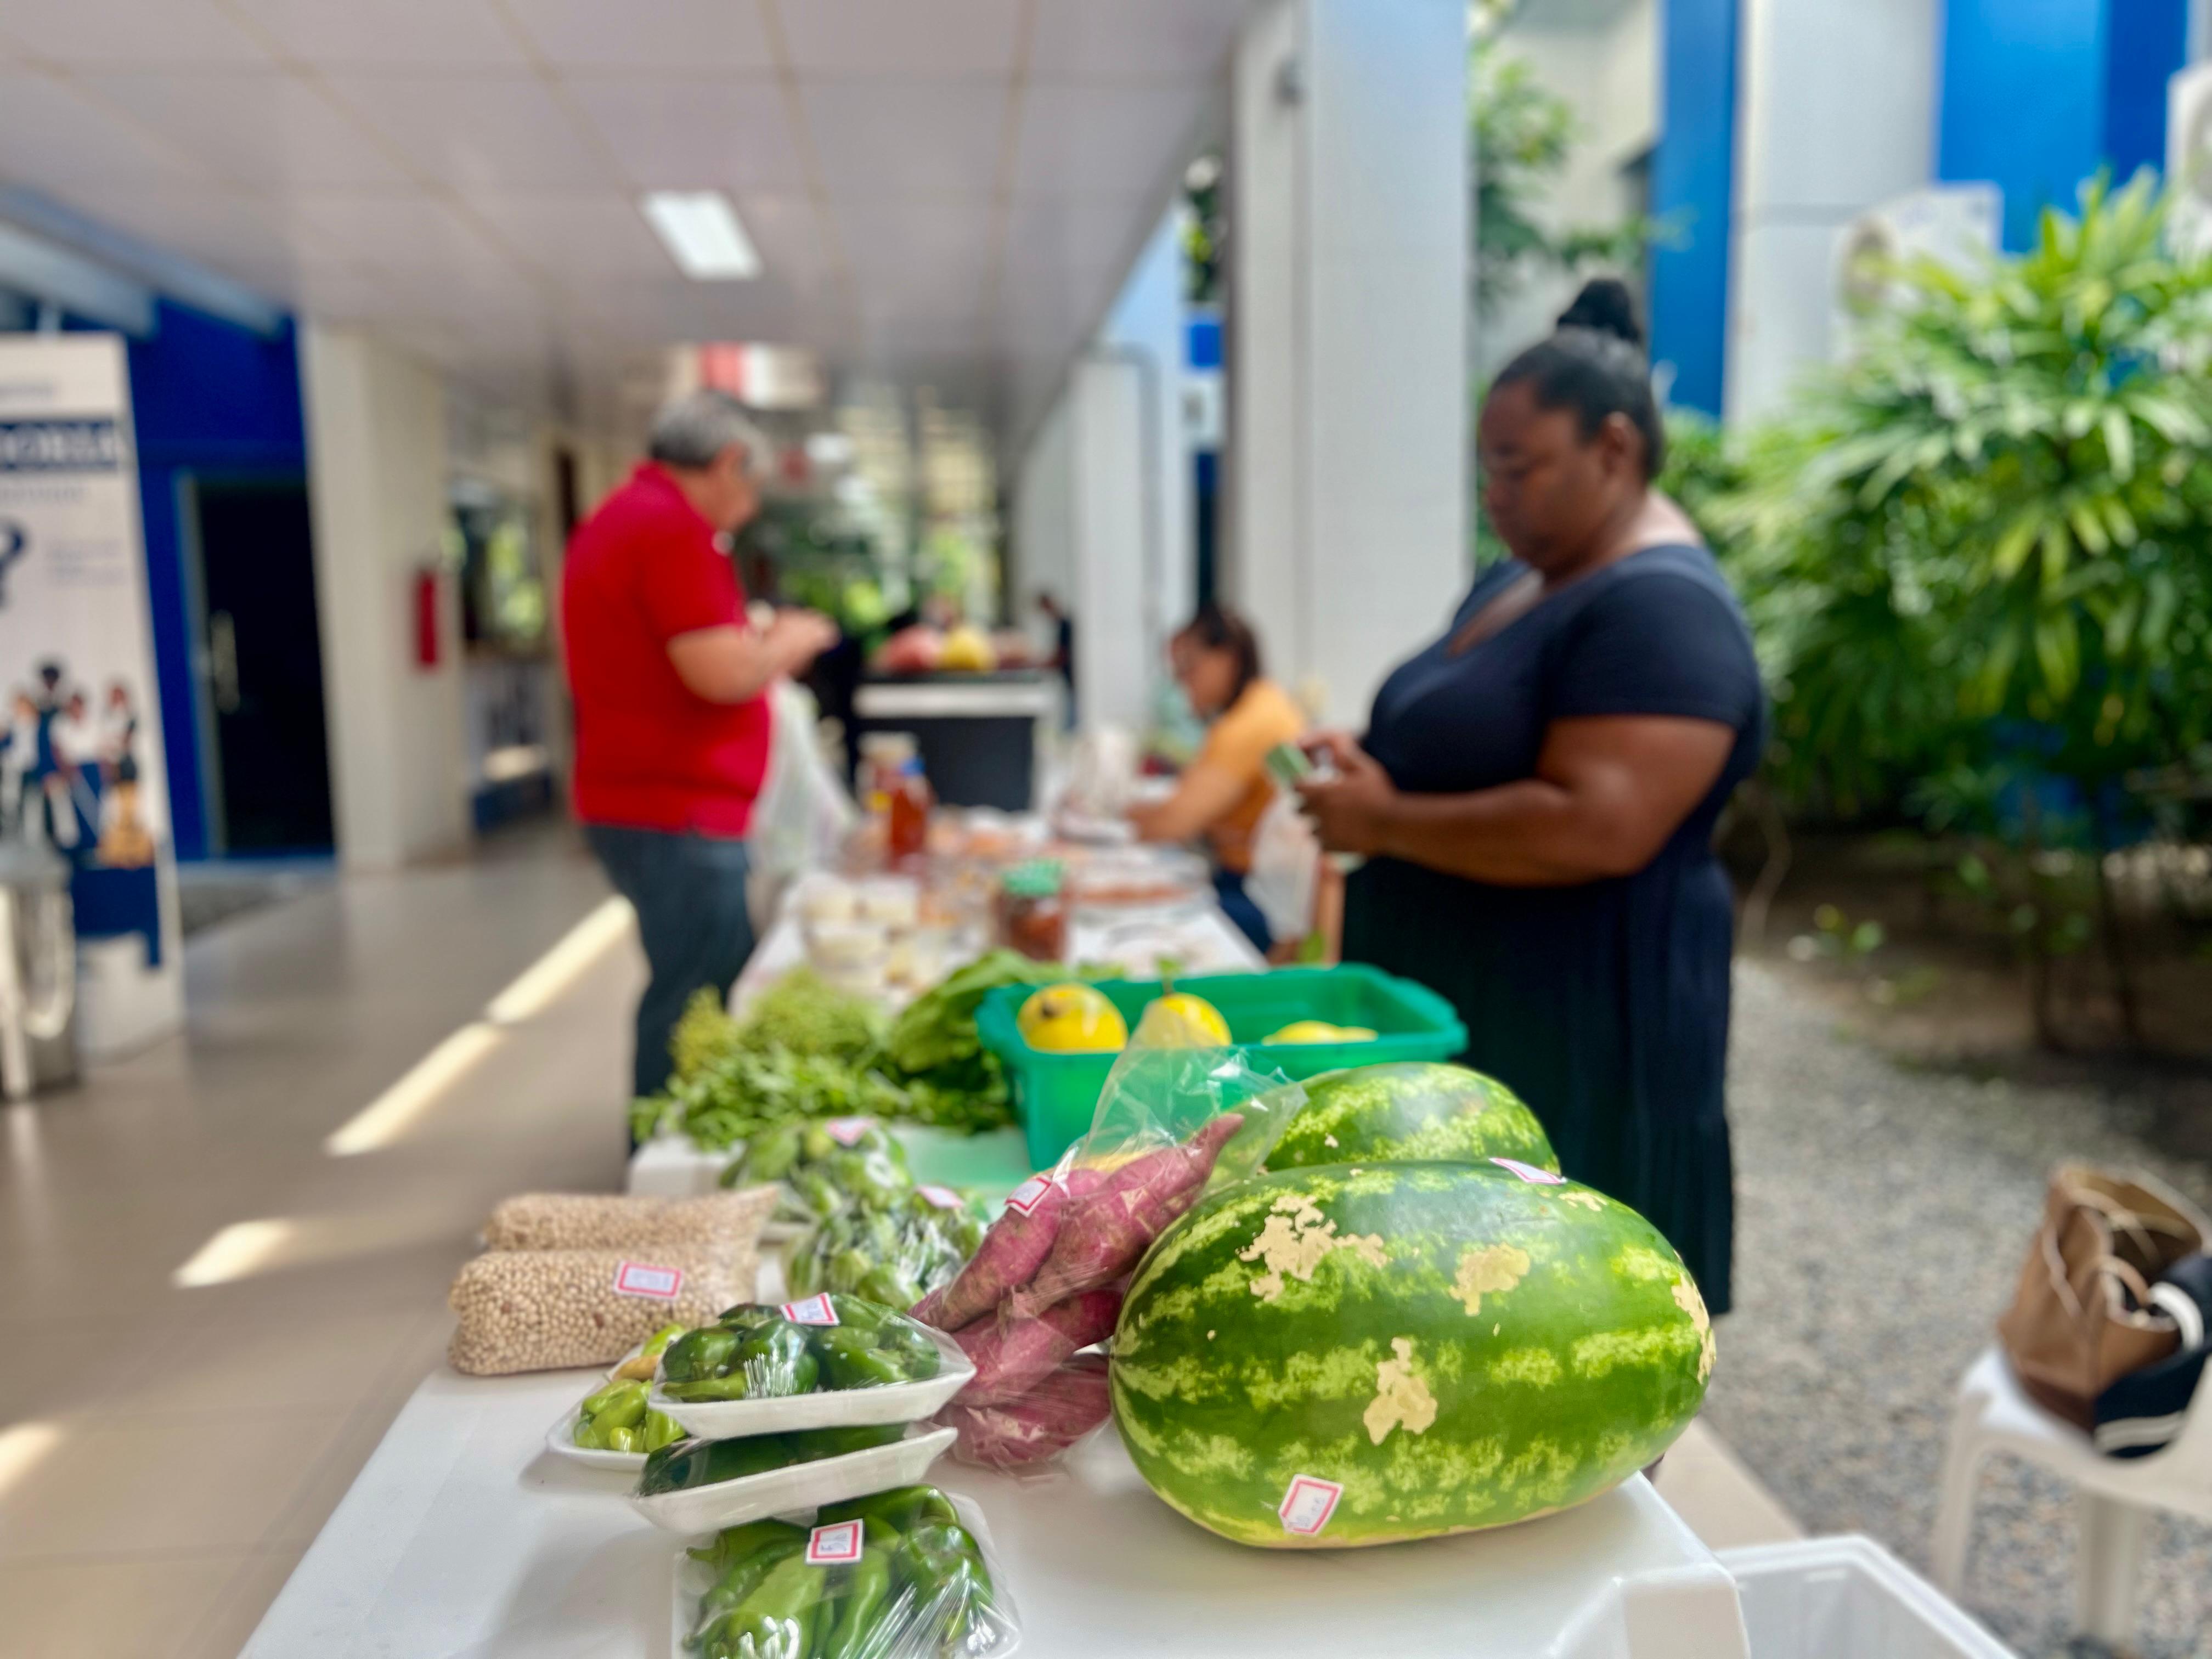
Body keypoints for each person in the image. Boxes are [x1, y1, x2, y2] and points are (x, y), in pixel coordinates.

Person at [1296, 280, 1764, 1313]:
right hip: (1483, 1024)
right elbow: (1483, 738)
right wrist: (1377, 758)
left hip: (1580, 1039)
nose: (1494, 495)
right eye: (1486, 470)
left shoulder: (1664, 611)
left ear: (1612, 448)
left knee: (1558, 1326)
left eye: (1518, 467)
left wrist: (1385, 820)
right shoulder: (1532, 573)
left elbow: (1595, 824)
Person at [563, 391, 839, 1105]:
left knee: (694, 981)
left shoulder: (624, 521)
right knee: (696, 996)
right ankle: (662, 1171)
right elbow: (720, 675)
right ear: (726, 464)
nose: (749, 505)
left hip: (650, 802)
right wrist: (791, 639)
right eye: (750, 486)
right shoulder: (670, 532)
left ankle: (670, 1152)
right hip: (675, 810)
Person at [1129, 604, 1306, 954]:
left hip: (1258, 898)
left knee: (1145, 932)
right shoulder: (1264, 703)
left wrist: (1117, 813)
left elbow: (1170, 823)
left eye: (1188, 667)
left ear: (1227, 658)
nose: (1181, 681)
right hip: (1261, 887)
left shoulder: (1249, 724)